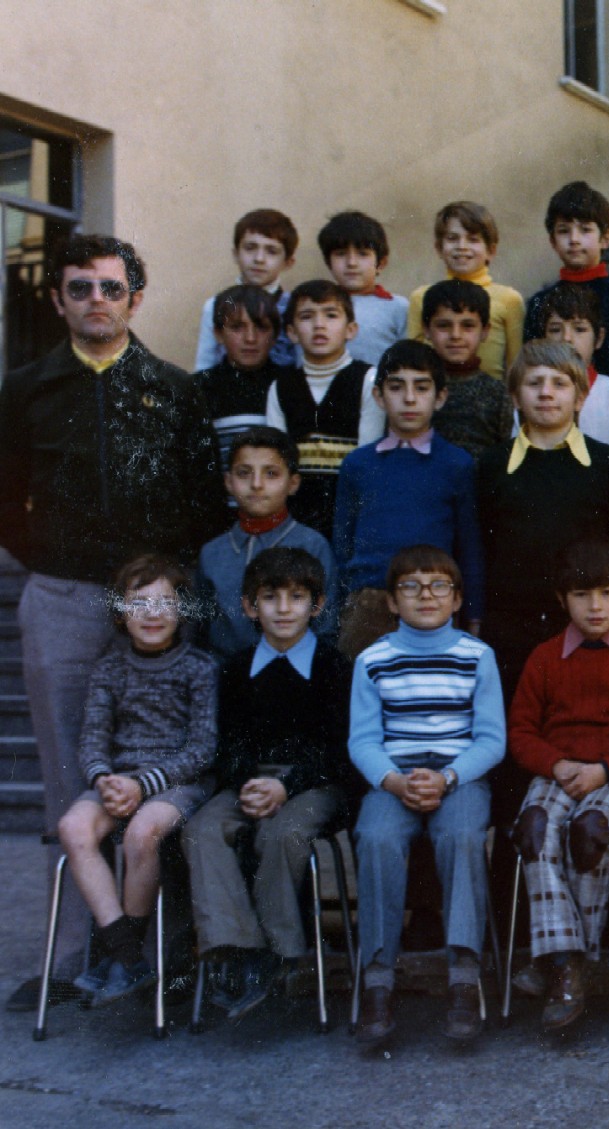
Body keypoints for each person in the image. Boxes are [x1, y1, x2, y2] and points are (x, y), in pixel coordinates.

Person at [0, 234, 219, 1007]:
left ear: (135, 298)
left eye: (111, 287)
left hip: (155, 603)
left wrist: (159, 583)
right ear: (57, 299)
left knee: (168, 768)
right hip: (65, 596)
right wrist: (53, 559)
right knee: (71, 776)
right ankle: (76, 955)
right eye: (80, 287)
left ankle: (169, 946)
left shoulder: (174, 388)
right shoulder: (23, 390)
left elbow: (202, 499)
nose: (97, 300)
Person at [181, 547, 353, 1020]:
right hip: (249, 782)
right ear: (248, 606)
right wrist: (248, 783)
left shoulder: (334, 668)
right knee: (202, 828)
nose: (283, 608)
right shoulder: (235, 670)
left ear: (317, 605)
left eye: (296, 597)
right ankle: (240, 949)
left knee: (283, 832)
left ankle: (280, 952)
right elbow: (227, 744)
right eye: (270, 597)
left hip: (315, 784)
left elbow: (337, 750)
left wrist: (286, 786)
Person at [506, 539, 609, 1032]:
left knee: (589, 831)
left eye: (607, 593)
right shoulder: (544, 658)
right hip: (557, 770)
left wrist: (606, 770)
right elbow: (521, 732)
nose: (595, 606)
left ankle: (560, 963)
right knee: (535, 827)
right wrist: (554, 764)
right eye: (581, 595)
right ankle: (567, 963)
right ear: (562, 600)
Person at [350, 546, 505, 1048]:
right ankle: (378, 979)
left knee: (462, 837)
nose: (426, 596)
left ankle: (463, 976)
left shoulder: (476, 656)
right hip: (394, 777)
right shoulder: (373, 659)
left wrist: (449, 778)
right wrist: (393, 782)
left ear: (457, 599)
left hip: (459, 777)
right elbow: (363, 740)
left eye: (439, 585)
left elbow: (491, 739)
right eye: (411, 587)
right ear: (392, 602)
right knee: (376, 838)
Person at [57, 553, 217, 1006]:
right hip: (119, 780)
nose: (152, 615)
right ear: (119, 612)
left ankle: (122, 958)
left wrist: (143, 786)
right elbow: (92, 740)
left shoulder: (200, 667)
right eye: (139, 603)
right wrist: (104, 779)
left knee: (142, 832)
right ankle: (128, 956)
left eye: (164, 603)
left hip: (179, 782)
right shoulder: (109, 668)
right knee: (73, 827)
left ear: (183, 611)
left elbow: (202, 749)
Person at [476, 340, 609, 693]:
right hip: (511, 625)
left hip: (586, 622)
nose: (546, 393)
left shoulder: (607, 464)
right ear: (516, 397)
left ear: (580, 398)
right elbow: (483, 546)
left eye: (559, 383)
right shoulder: (493, 464)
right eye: (534, 383)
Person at [332, 340, 484, 658]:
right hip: (369, 603)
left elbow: (468, 546)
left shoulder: (456, 464)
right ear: (379, 396)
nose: (410, 398)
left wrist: (472, 616)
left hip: (434, 602)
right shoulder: (358, 465)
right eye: (396, 387)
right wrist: (342, 609)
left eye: (422, 387)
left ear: (440, 397)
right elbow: (342, 545)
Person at [197, 427, 339, 659]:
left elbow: (326, 628)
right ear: (228, 481)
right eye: (244, 473)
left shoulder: (312, 546)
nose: (256, 484)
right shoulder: (212, 553)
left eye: (271, 473)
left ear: (293, 483)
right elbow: (202, 635)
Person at [265, 279, 386, 535]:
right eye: (307, 316)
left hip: (351, 512)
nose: (319, 325)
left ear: (350, 329)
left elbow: (367, 459)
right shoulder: (281, 387)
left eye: (331, 315)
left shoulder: (369, 380)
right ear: (292, 332)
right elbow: (277, 459)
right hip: (296, 516)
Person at [524, 181, 609, 385]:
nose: (574, 239)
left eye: (585, 230)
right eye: (564, 230)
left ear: (605, 238)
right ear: (552, 241)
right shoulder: (540, 302)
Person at [534, 283, 609, 487]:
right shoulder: (533, 396)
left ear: (599, 338)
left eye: (579, 329)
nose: (567, 338)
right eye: (555, 329)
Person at [407, 201, 525, 381]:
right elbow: (413, 359)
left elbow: (516, 366)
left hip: (490, 394)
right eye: (452, 238)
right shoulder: (421, 297)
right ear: (439, 248)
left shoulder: (509, 299)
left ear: (491, 251)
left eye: (473, 239)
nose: (462, 246)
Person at [194, 284, 294, 471]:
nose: (250, 338)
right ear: (218, 333)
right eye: (237, 327)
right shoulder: (198, 388)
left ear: (275, 335)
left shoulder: (290, 385)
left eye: (261, 327)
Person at [194, 208, 299, 370]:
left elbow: (302, 364)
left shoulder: (295, 307)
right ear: (236, 254)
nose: (259, 259)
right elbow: (204, 365)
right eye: (250, 248)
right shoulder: (215, 306)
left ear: (288, 262)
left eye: (271, 251)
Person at [424, 280, 513, 459]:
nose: (455, 335)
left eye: (467, 326)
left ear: (485, 331)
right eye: (444, 325)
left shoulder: (497, 394)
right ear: (426, 330)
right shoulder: (416, 389)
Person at [318, 209, 407, 365]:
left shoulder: (398, 307)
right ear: (328, 263)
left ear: (381, 263)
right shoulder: (318, 306)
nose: (351, 263)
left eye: (363, 254)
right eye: (341, 254)